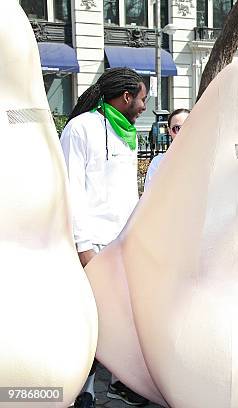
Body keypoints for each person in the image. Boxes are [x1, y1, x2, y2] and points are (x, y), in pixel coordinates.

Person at [59, 67, 149, 408]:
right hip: (91, 247)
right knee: (87, 324)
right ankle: (82, 391)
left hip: (120, 247)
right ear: (126, 97)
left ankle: (115, 385)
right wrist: (84, 249)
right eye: (141, 99)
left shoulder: (129, 134)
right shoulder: (80, 129)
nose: (144, 106)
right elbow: (72, 193)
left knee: (115, 323)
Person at [144, 108, 190, 190]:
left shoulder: (207, 159)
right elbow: (149, 196)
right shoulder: (158, 163)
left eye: (188, 126)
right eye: (177, 128)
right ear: (169, 131)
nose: (182, 132)